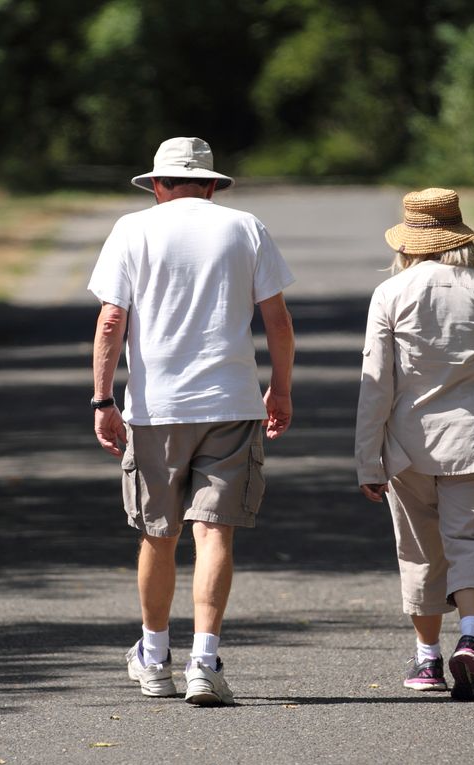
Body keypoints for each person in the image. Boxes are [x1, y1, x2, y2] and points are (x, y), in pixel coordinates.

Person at [88, 136, 296, 706]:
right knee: (214, 532)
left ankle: (154, 660)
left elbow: (111, 322)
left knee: (159, 533)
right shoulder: (245, 227)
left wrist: (104, 401)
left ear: (157, 185)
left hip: (157, 410)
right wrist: (279, 387)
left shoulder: (132, 230)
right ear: (212, 184)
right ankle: (205, 663)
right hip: (231, 404)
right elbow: (276, 321)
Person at [354, 188, 474, 701]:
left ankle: (427, 660)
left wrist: (367, 460)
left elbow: (376, 383)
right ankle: (471, 639)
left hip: (409, 446)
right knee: (472, 541)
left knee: (419, 551)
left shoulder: (390, 294)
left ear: (409, 242)